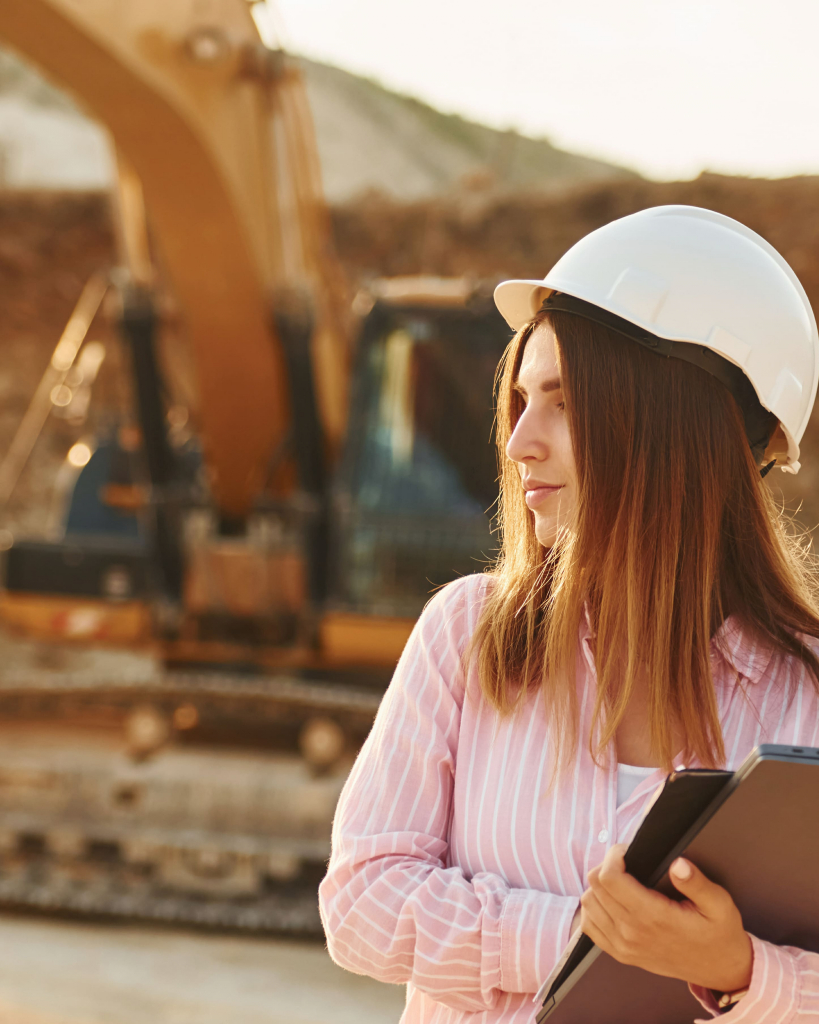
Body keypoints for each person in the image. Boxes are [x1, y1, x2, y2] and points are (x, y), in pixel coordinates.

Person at [319, 205, 819, 1023]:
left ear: (675, 423)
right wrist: (595, 937)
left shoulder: (807, 690)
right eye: (518, 400)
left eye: (561, 402)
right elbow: (361, 904)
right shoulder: (465, 634)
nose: (518, 444)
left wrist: (739, 970)